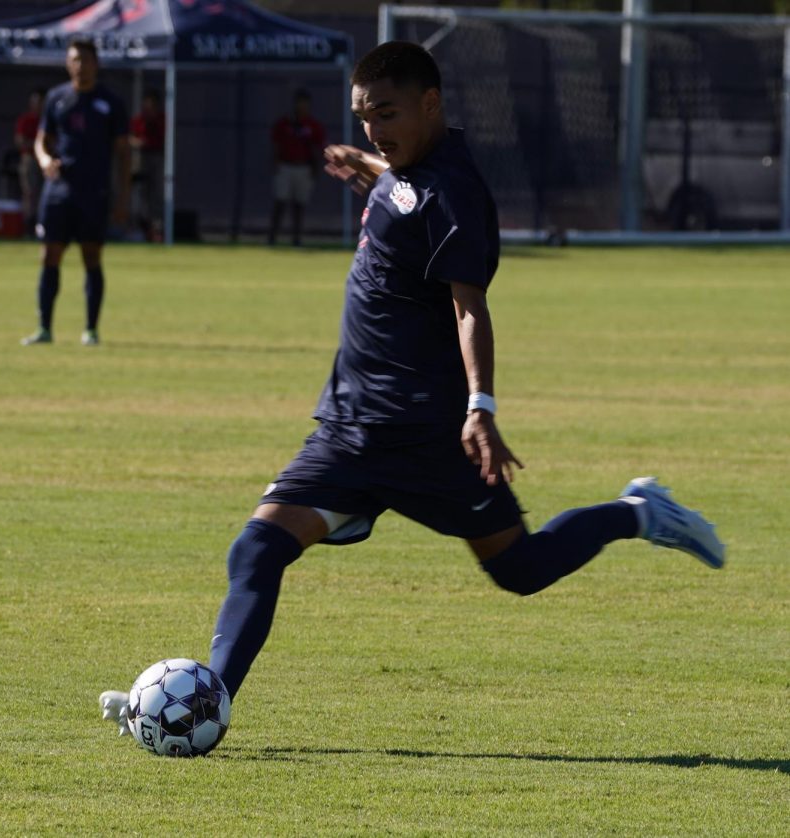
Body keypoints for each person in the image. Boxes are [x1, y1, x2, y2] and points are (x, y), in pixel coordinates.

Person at [100, 42, 724, 733]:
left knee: (520, 568)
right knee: (256, 549)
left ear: (431, 103)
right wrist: (368, 164)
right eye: (364, 117)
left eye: (386, 115)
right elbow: (403, 193)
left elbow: (469, 308)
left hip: (426, 435)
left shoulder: (455, 191)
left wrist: (480, 406)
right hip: (349, 428)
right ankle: (204, 704)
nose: (374, 131)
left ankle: (638, 511)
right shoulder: (403, 170)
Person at [21, 38, 130, 347]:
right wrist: (44, 160)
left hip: (93, 191)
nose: (80, 66)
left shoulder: (110, 103)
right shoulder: (57, 98)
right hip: (59, 192)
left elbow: (123, 153)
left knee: (91, 256)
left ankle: (91, 330)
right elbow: (42, 139)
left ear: (97, 64)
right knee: (49, 254)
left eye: (85, 60)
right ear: (67, 64)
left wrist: (123, 198)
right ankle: (44, 328)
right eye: (74, 60)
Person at [267, 88, 326, 247]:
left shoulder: (313, 125)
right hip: (285, 166)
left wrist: (315, 168)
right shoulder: (284, 123)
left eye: (305, 103)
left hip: (304, 168)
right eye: (299, 103)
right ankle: (272, 238)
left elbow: (317, 149)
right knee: (280, 202)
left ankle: (297, 239)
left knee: (299, 204)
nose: (302, 106)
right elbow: (276, 145)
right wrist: (276, 164)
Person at [129, 89, 165, 241]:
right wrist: (136, 142)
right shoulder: (138, 120)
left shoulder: (162, 119)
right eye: (146, 106)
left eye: (152, 106)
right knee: (138, 194)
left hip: (156, 157)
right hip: (140, 158)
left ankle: (157, 232)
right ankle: (136, 229)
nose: (148, 109)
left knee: (155, 195)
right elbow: (127, 137)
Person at [14, 88, 45, 231]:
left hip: (48, 162)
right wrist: (38, 145)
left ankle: (44, 222)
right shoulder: (26, 120)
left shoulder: (49, 120)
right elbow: (21, 142)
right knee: (30, 192)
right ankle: (28, 224)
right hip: (31, 159)